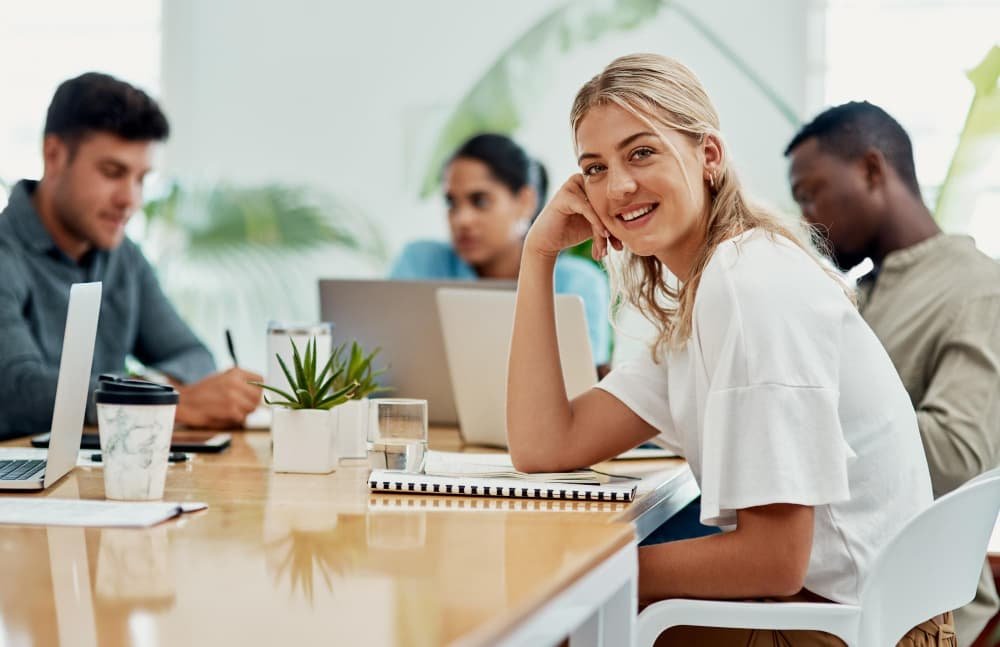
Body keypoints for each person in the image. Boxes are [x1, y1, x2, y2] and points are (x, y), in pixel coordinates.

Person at [506, 53, 947, 645]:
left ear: (707, 156)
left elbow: (773, 559)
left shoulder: (747, 284)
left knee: (556, 625)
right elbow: (545, 444)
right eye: (593, 168)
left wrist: (584, 573)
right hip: (833, 614)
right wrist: (538, 254)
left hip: (841, 630)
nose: (617, 187)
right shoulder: (714, 287)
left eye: (641, 152)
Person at [786, 100, 1000, 647]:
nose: (807, 217)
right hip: (844, 585)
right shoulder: (862, 293)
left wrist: (795, 414)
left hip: (916, 608)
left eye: (810, 193)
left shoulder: (979, 290)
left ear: (872, 170)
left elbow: (958, 456)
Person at [0, 72, 262, 439]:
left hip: (104, 477)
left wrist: (148, 387)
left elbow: (193, 355)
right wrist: (166, 401)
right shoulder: (5, 253)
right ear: (54, 155)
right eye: (112, 172)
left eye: (140, 179)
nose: (130, 200)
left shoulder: (123, 257)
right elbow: (18, 392)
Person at [390, 133, 611, 367]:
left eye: (480, 201)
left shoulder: (576, 282)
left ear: (526, 201)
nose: (461, 219)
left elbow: (581, 377)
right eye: (452, 203)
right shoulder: (420, 262)